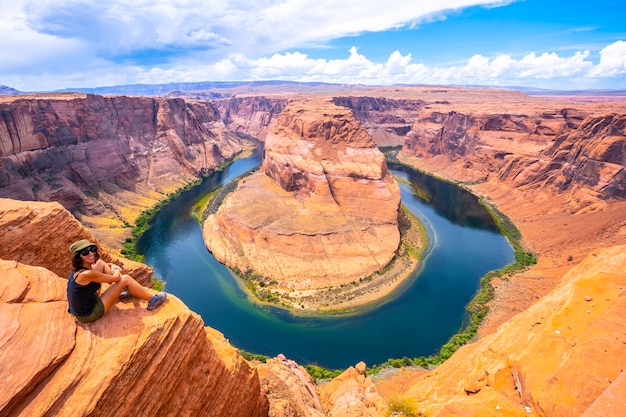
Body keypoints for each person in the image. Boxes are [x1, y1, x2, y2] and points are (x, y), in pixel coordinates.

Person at [67, 239, 166, 323]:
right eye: (85, 252)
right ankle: (154, 300)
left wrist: (110, 265)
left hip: (83, 306)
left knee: (101, 263)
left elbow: (101, 268)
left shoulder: (79, 271)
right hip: (89, 314)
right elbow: (116, 278)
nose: (91, 253)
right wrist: (115, 268)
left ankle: (120, 290)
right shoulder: (87, 274)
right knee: (125, 278)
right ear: (78, 256)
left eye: (92, 249)